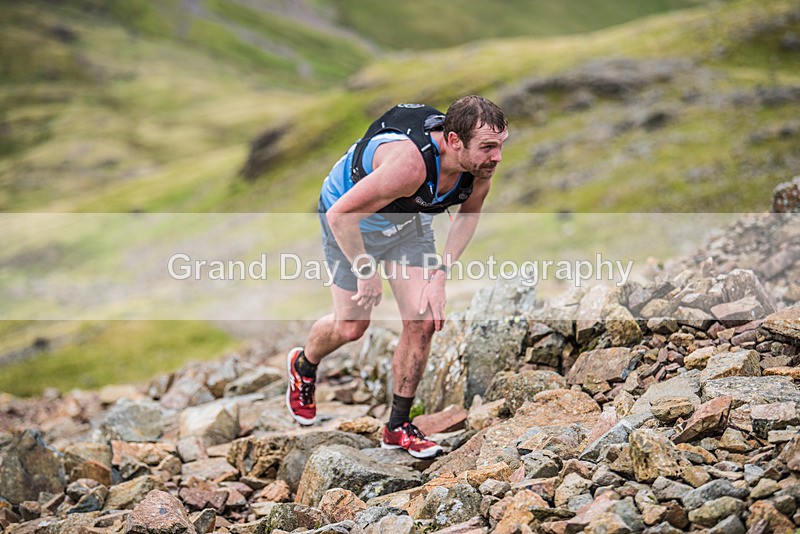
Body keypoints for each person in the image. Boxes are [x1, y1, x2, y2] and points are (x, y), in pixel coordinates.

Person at [286, 95, 508, 458]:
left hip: (406, 223)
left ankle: (397, 426)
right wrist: (364, 268)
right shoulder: (410, 165)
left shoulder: (480, 166)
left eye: (500, 146)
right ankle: (303, 364)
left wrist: (440, 275)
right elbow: (341, 216)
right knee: (351, 327)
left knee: (422, 320)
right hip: (349, 220)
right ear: (454, 141)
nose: (497, 157)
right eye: (488, 147)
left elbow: (468, 215)